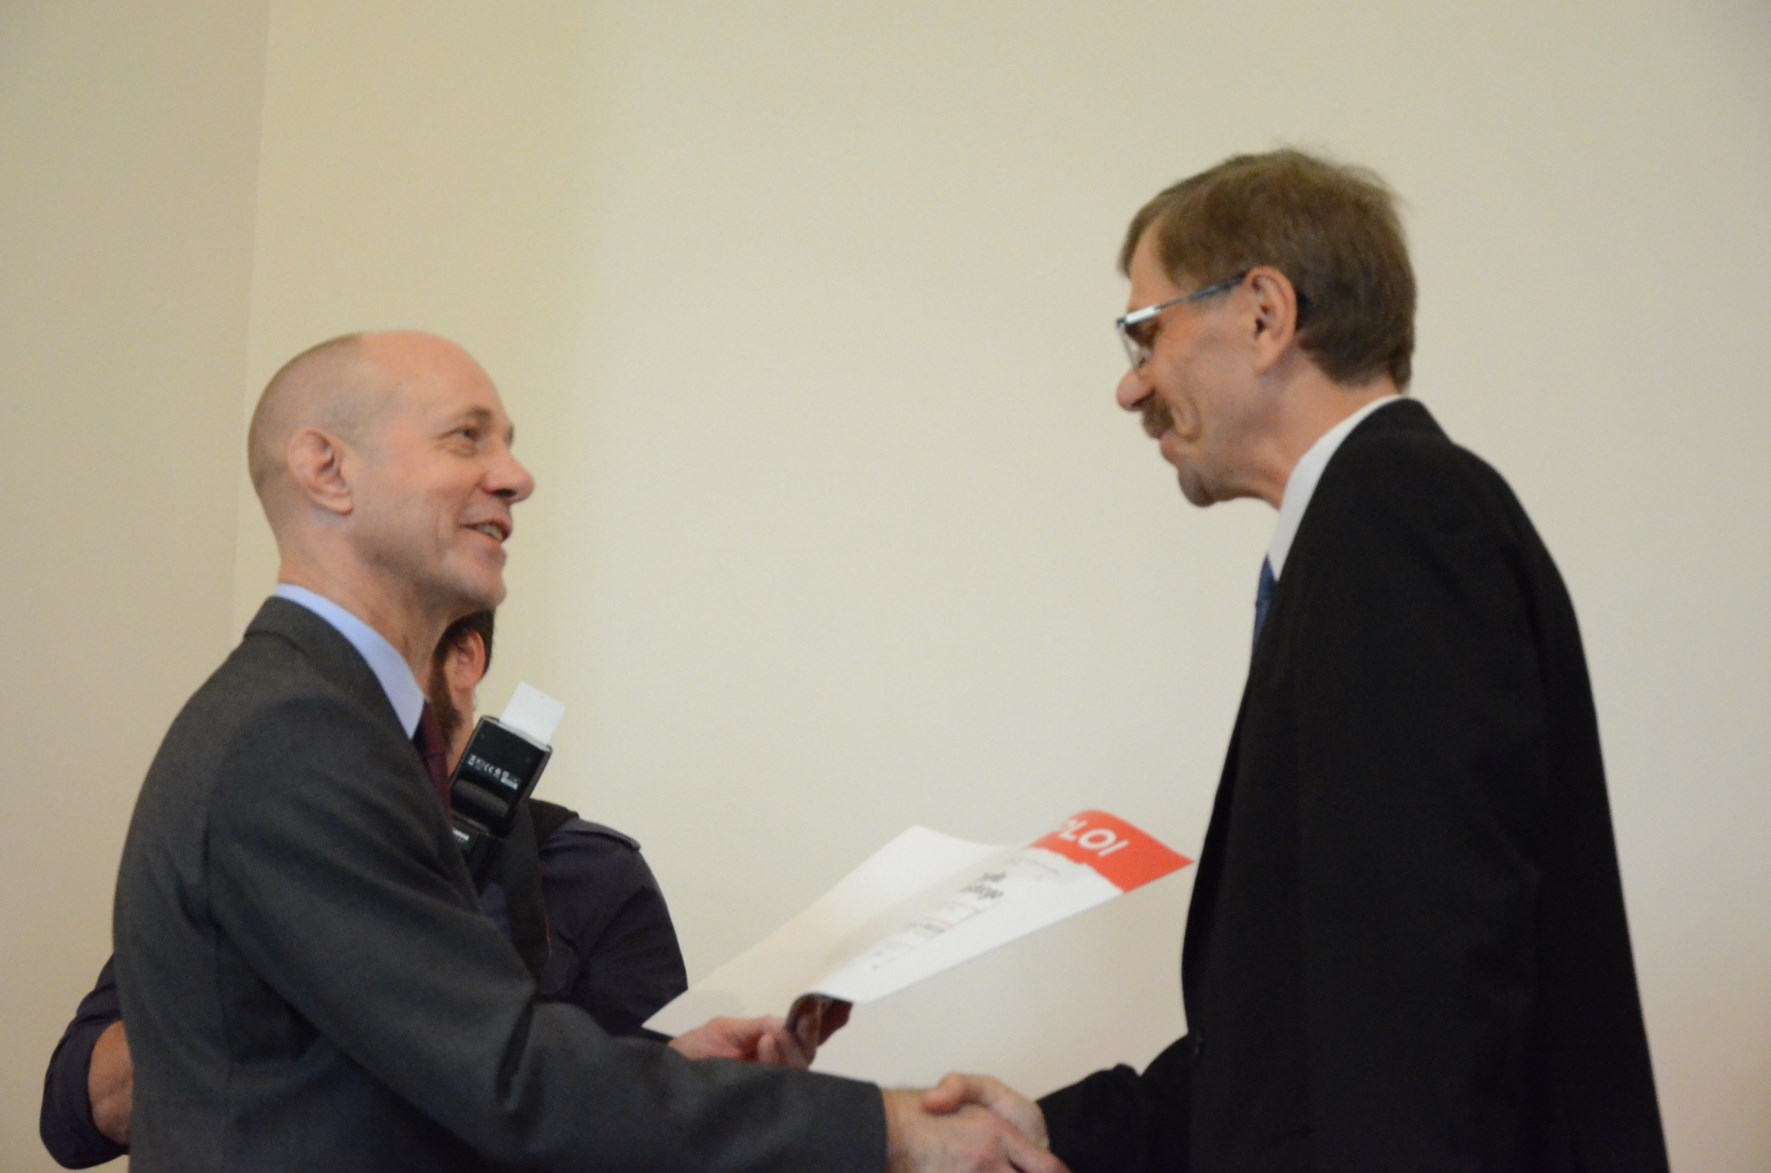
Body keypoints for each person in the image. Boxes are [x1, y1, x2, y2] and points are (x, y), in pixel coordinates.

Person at [110, 331, 1061, 1172]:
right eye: (466, 437)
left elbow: (413, 1075)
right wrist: (884, 1132)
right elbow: (508, 1080)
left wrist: (660, 1069)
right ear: (327, 469)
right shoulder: (295, 734)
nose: (516, 476)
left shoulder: (330, 718)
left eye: (509, 442)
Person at [927, 150, 1667, 1170]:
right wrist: (1053, 1133)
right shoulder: (1366, 527)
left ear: (1265, 315)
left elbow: (1428, 1009)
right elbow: (1307, 1029)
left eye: (1146, 331)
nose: (1130, 384)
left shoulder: (1396, 516)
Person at [41, 609, 688, 1167]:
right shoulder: (252, 839)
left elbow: (658, 1130)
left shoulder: (594, 875)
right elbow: (71, 1115)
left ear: (464, 657)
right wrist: (259, 986)